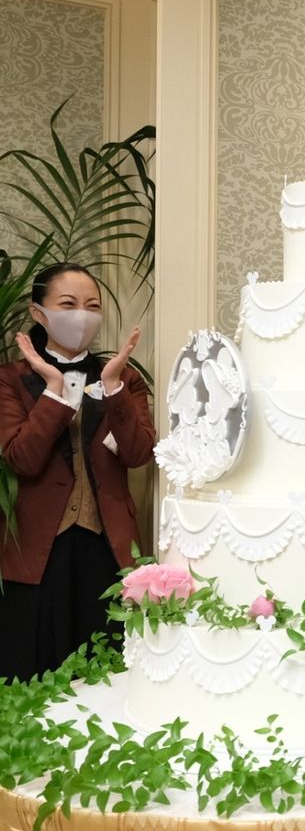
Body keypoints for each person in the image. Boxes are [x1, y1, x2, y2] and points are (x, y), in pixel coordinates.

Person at [0, 262, 155, 680]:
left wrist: (114, 386)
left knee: (106, 671)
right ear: (38, 313)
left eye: (92, 306)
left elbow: (138, 453)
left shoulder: (124, 378)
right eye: (68, 304)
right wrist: (54, 390)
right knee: (35, 672)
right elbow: (22, 458)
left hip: (106, 544)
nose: (81, 316)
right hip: (36, 547)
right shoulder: (9, 380)